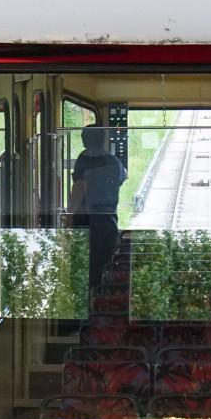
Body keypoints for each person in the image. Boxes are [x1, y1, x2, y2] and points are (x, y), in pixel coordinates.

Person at [64, 124, 127, 296]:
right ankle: (101, 300)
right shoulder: (114, 162)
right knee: (104, 266)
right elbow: (121, 179)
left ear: (85, 140)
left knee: (86, 267)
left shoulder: (83, 161)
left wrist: (69, 216)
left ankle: (88, 301)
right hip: (109, 221)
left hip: (87, 222)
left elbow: (79, 189)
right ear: (103, 140)